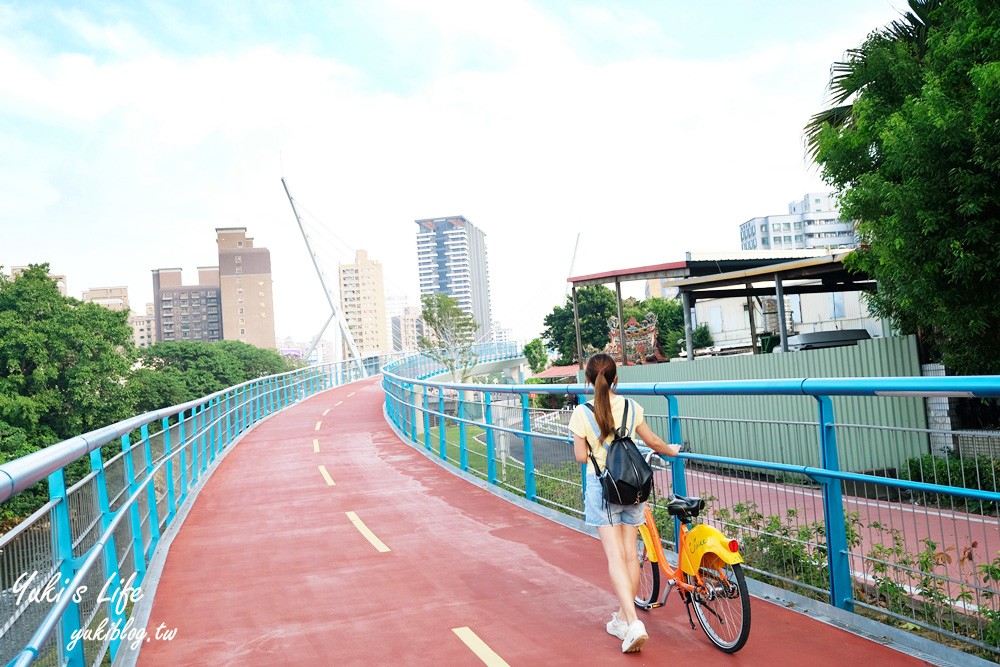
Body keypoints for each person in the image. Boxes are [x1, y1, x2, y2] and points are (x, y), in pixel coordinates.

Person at [568, 353, 681, 654]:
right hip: (632, 485)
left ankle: (632, 622)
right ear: (617, 378)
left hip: (603, 487)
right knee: (631, 555)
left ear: (588, 381)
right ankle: (622, 618)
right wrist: (672, 450)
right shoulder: (632, 407)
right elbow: (653, 442)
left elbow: (581, 457)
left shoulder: (582, 412)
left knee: (615, 556)